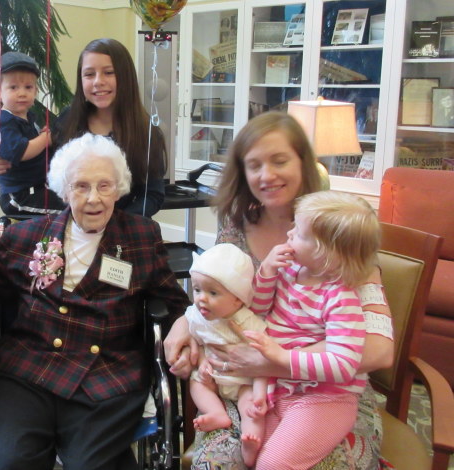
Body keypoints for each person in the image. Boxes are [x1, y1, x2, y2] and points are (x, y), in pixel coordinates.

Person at [164, 111, 394, 470]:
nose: (266, 175)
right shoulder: (236, 230)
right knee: (224, 462)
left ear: (304, 162)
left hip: (326, 394)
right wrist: (185, 325)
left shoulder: (337, 235)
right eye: (253, 165)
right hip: (252, 390)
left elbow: (380, 351)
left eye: (279, 160)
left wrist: (273, 360)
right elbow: (214, 293)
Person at [0, 133, 190, 470]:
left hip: (106, 374)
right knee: (9, 461)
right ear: (64, 190)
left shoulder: (141, 236)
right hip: (28, 372)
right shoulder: (24, 237)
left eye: (104, 186)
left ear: (118, 189)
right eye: (81, 186)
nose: (94, 199)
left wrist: (182, 324)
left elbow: (173, 302)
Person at [246, 190, 378, 469]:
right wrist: (267, 272)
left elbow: (344, 365)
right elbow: (259, 310)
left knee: (272, 465)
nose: (290, 233)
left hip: (326, 398)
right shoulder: (291, 270)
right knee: (254, 456)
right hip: (281, 391)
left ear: (327, 253)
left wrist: (281, 358)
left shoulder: (340, 297)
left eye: (300, 232)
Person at [0, 38, 167, 218]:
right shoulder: (68, 120)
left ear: (125, 76)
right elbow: (38, 158)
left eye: (109, 72)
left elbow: (152, 195)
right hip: (66, 232)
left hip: (119, 233)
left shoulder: (146, 133)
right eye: (89, 74)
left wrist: (114, 223)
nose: (98, 81)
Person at [186, 243, 268, 467]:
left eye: (213, 293)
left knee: (251, 406)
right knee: (196, 384)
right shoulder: (196, 317)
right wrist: (203, 363)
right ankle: (216, 413)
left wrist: (261, 394)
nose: (202, 298)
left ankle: (251, 442)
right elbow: (200, 343)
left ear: (238, 299)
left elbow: (265, 359)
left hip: (243, 381)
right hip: (214, 378)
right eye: (197, 290)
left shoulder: (247, 322)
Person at [0, 51, 65, 216]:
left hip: (37, 188)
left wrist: (41, 136)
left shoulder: (28, 117)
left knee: (70, 201)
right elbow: (20, 151)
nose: (22, 93)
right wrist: (46, 138)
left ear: (36, 90)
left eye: (28, 87)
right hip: (19, 196)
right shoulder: (3, 121)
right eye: (13, 87)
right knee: (69, 210)